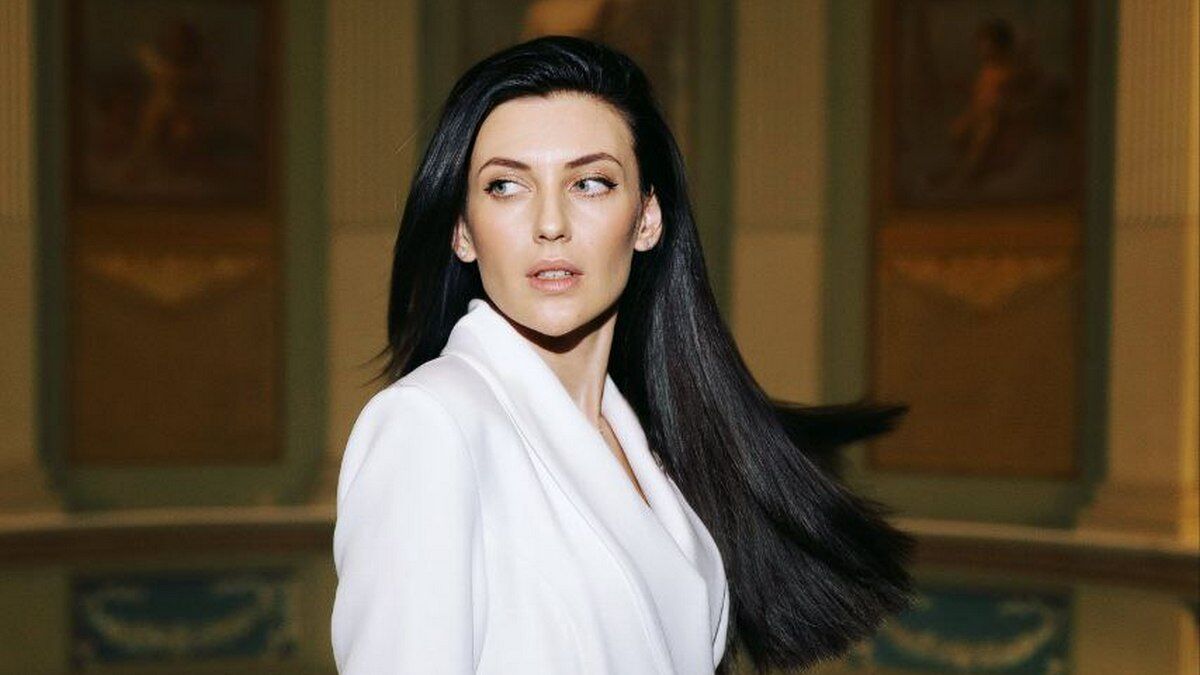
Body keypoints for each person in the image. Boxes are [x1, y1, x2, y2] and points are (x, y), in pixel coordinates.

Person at [331, 35, 913, 674]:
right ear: (463, 231)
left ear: (647, 219)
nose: (550, 223)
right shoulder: (429, 426)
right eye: (506, 186)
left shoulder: (652, 443)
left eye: (590, 183)